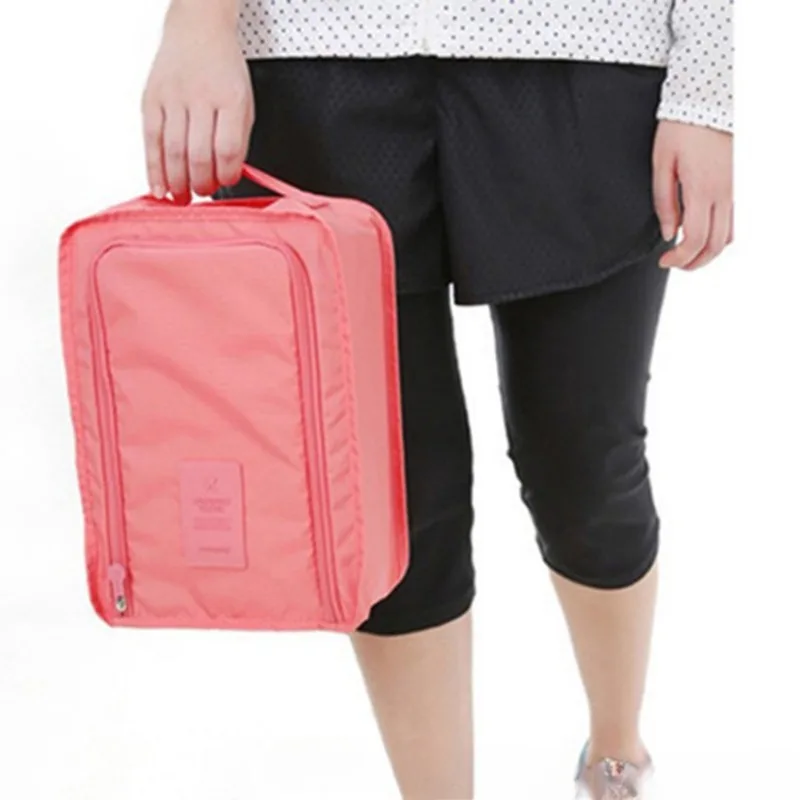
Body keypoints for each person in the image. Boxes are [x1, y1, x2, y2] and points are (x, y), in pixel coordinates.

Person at [141, 1, 733, 797]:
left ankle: (616, 758)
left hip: (585, 49)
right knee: (388, 497)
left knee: (584, 462)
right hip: (314, 54)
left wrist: (707, 92)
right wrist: (198, 23)